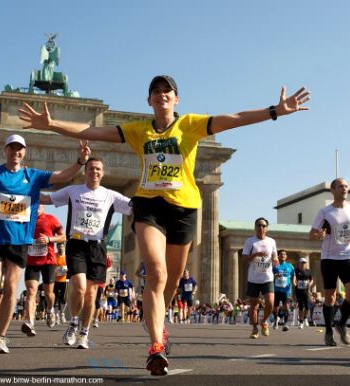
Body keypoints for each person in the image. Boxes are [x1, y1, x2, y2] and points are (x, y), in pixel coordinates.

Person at [19, 75, 310, 375]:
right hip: (149, 206)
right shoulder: (138, 130)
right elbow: (93, 130)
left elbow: (234, 118)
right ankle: (156, 347)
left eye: (166, 91)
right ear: (149, 101)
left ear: (176, 98)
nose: (161, 95)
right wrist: (52, 125)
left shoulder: (191, 125)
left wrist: (275, 111)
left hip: (183, 209)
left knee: (170, 282)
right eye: (155, 91)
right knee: (156, 273)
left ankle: (158, 321)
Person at [0, 129, 90, 354]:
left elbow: (62, 176)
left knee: (10, 288)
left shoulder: (33, 176)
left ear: (24, 152)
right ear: (6, 150)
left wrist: (80, 161)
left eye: (20, 148)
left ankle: (1, 337)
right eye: (12, 148)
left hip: (20, 241)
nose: (16, 152)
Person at [40, 156, 132, 349]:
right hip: (77, 244)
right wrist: (22, 189)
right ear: (85, 171)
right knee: (79, 287)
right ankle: (74, 322)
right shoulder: (73, 191)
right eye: (91, 169)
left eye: (98, 169)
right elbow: (47, 198)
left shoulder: (111, 196)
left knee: (91, 295)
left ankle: (84, 331)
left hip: (97, 248)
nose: (94, 172)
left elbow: (133, 207)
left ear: (103, 172)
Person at [309, 177, 350, 346]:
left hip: (348, 256)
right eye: (340, 186)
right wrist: (319, 235)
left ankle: (341, 323)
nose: (344, 189)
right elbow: (312, 233)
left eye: (346, 186)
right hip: (329, 258)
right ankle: (329, 332)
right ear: (333, 190)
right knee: (330, 296)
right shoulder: (325, 212)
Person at [21, 204, 66, 337]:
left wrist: (49, 239)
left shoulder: (51, 219)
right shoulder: (25, 220)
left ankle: (50, 309)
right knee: (31, 292)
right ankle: (30, 322)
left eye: (39, 205)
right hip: (31, 261)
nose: (36, 208)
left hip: (48, 261)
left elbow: (63, 237)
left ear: (43, 207)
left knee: (48, 294)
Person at [243, 217, 278, 339]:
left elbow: (275, 256)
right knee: (254, 306)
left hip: (267, 277)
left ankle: (264, 321)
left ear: (267, 228)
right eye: (258, 225)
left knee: (270, 303)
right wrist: (256, 254)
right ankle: (254, 329)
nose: (261, 228)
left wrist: (275, 260)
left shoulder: (271, 241)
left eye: (263, 226)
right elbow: (245, 259)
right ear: (255, 227)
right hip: (253, 278)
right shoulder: (250, 241)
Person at [272, 250, 295, 331]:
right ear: (278, 256)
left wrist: (294, 282)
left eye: (284, 254)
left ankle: (285, 324)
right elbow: (270, 275)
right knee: (275, 307)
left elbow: (293, 275)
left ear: (286, 256)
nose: (283, 255)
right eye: (281, 254)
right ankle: (275, 320)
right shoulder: (275, 266)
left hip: (286, 290)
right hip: (276, 289)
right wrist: (275, 275)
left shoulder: (290, 266)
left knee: (286, 307)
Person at [294, 257, 313, 328]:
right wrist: (295, 283)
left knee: (307, 307)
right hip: (298, 290)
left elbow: (311, 280)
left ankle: (305, 318)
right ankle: (301, 322)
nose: (303, 264)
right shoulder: (295, 270)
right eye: (301, 263)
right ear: (299, 263)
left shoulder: (308, 271)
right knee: (301, 306)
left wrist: (309, 284)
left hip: (306, 290)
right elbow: (294, 278)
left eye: (304, 263)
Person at [53, 243, 68, 325]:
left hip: (65, 281)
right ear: (57, 247)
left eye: (62, 246)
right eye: (59, 246)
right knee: (55, 299)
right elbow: (51, 266)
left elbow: (71, 266)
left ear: (64, 247)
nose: (60, 248)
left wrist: (67, 269)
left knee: (64, 299)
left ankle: (62, 313)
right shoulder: (54, 256)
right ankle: (56, 316)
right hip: (55, 280)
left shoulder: (67, 257)